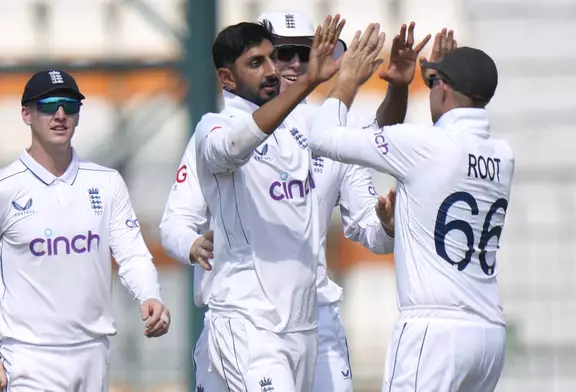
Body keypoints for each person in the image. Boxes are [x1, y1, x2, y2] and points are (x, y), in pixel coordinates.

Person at [160, 10, 430, 392]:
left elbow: (374, 229)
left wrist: (388, 225)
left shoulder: (326, 127)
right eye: (280, 53)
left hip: (315, 316)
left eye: (305, 54)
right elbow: (175, 222)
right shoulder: (216, 127)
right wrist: (191, 244)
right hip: (247, 317)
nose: (290, 65)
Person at [307, 27, 513, 392]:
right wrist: (425, 81)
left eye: (434, 82)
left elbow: (322, 138)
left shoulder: (423, 146)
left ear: (444, 89)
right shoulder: (502, 155)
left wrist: (347, 82)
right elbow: (445, 153)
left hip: (433, 330)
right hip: (488, 334)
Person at [0, 69, 170, 392]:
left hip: (93, 354)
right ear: (26, 114)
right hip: (27, 358)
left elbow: (132, 252)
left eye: (70, 104)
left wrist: (150, 294)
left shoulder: (106, 183)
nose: (60, 114)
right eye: (48, 104)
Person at [189, 15, 354, 392]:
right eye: (256, 63)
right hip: (249, 322)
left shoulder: (300, 129)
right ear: (227, 79)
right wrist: (310, 82)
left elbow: (352, 136)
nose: (271, 71)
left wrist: (351, 83)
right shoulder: (212, 127)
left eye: (270, 59)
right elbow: (235, 146)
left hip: (303, 324)